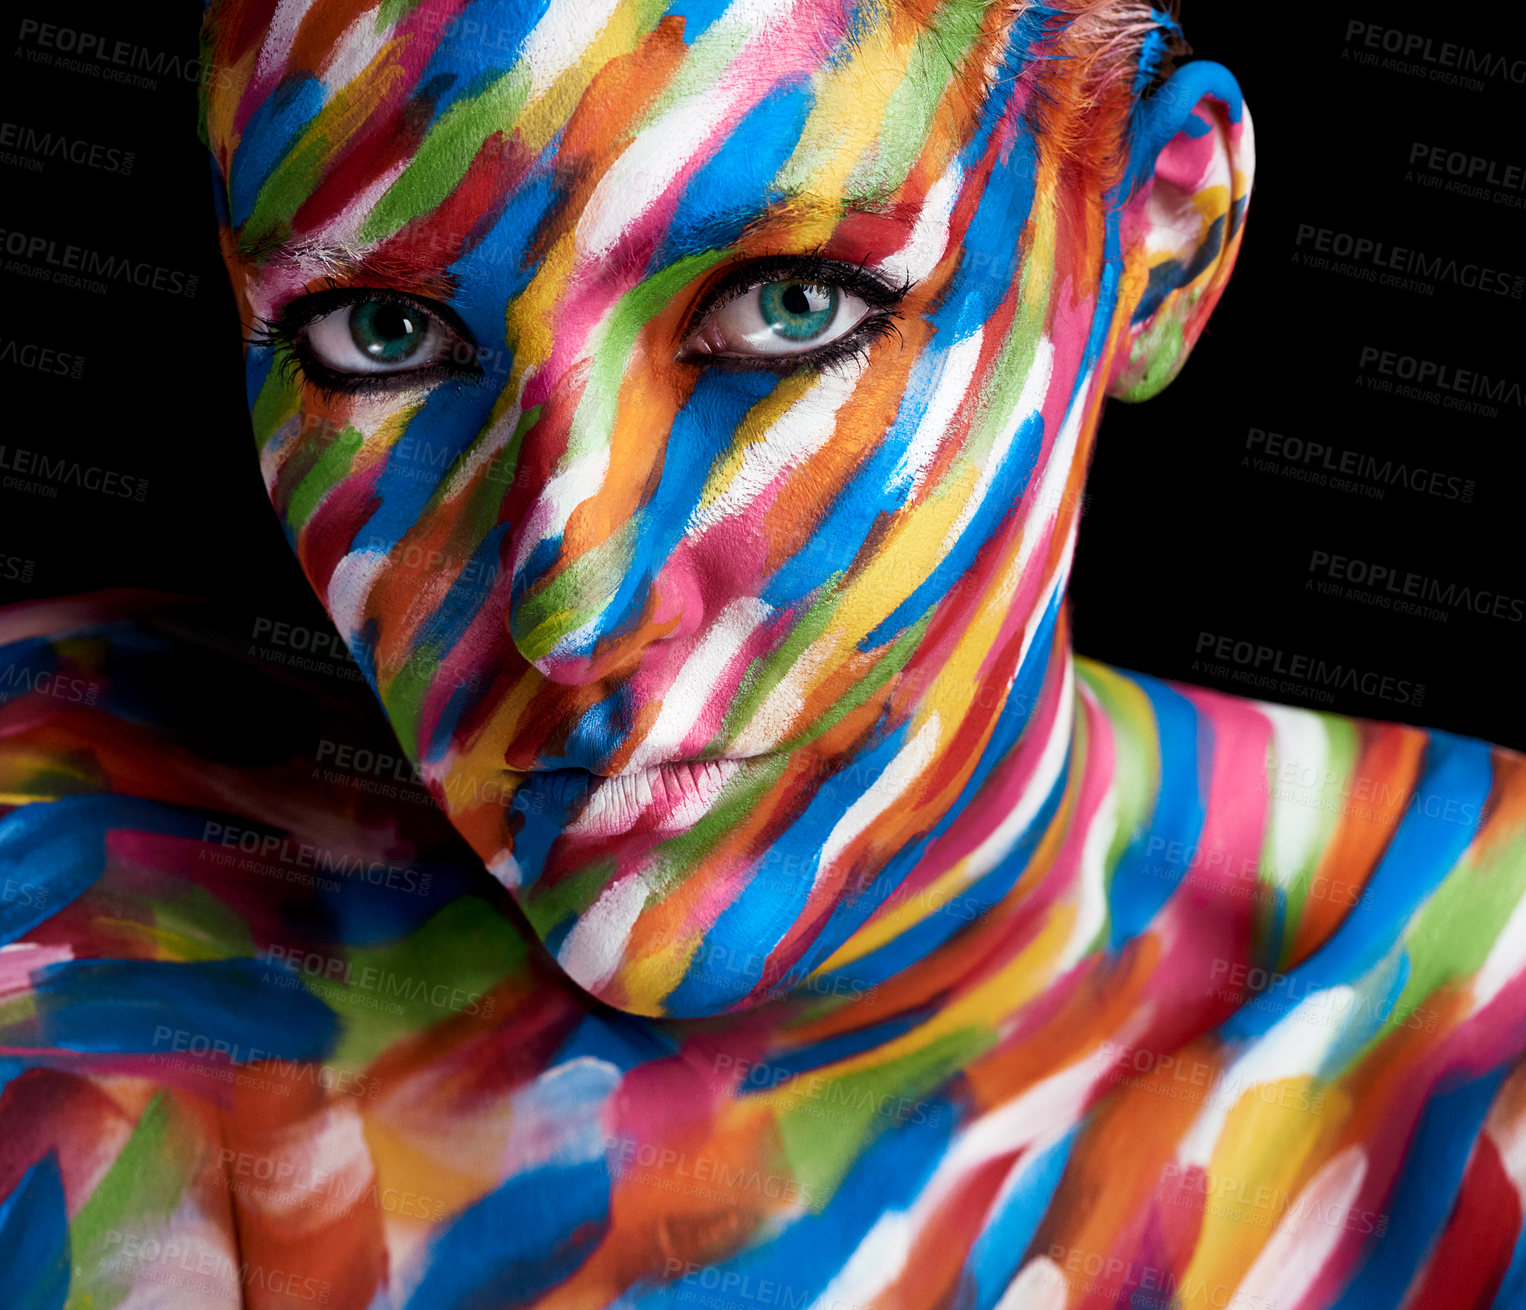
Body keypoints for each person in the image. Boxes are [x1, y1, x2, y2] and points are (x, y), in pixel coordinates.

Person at [2, 0, 1524, 1306]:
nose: (572, 612)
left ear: (1158, 236)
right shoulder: (58, 867)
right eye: (375, 338)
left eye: (789, 309)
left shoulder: (1479, 1043)